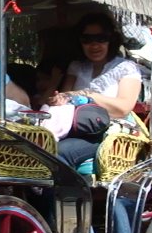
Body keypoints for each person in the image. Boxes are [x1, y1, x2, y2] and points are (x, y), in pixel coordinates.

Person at [46, 11, 143, 167]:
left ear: (110, 40)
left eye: (101, 39)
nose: (94, 45)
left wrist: (88, 94)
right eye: (87, 40)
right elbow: (66, 99)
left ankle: (65, 191)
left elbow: (123, 108)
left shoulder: (126, 68)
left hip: (108, 133)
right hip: (74, 127)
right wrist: (58, 99)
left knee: (58, 152)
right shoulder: (76, 66)